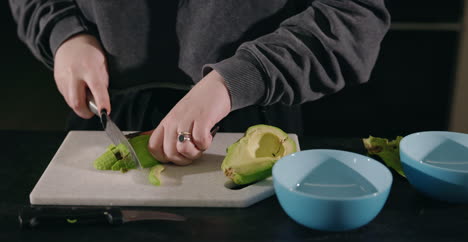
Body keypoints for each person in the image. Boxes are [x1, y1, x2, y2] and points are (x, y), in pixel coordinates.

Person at [9, 0, 390, 165]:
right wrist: (64, 34)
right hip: (104, 105)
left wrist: (235, 81)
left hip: (251, 111)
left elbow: (353, 18)